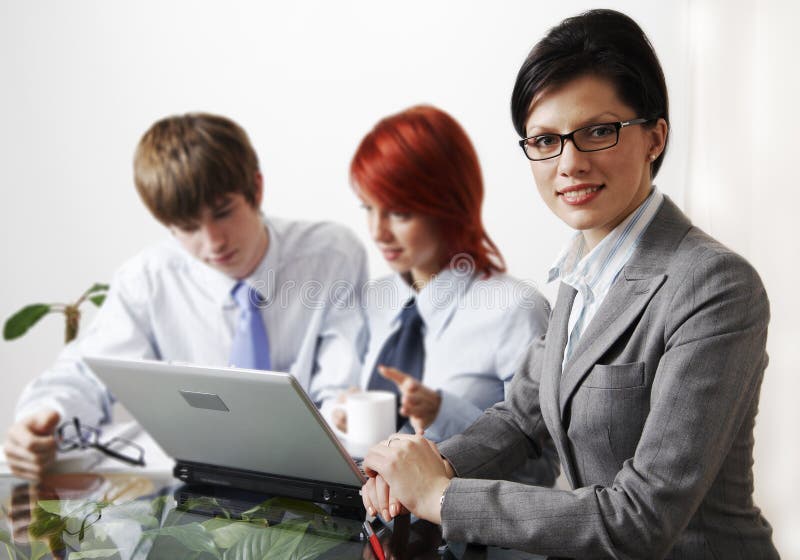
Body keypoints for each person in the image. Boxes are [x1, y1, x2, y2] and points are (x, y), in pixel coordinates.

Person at [360, 10, 779, 559]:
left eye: (598, 131)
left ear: (655, 137)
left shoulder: (714, 285)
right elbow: (522, 418)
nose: (570, 163)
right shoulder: (582, 271)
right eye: (545, 140)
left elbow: (642, 517)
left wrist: (443, 495)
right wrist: (418, 465)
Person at [4, 113, 367, 481]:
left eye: (223, 213)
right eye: (187, 228)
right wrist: (41, 419)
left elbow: (339, 388)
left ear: (256, 189)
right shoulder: (148, 279)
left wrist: (345, 411)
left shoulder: (330, 256)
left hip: (310, 479)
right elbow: (84, 374)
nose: (213, 243)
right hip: (194, 493)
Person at [334, 105, 558, 487]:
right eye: (369, 208)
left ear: (449, 205)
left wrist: (443, 413)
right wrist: (343, 423)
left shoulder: (515, 310)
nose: (378, 232)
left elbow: (541, 473)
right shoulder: (376, 300)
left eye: (399, 213)